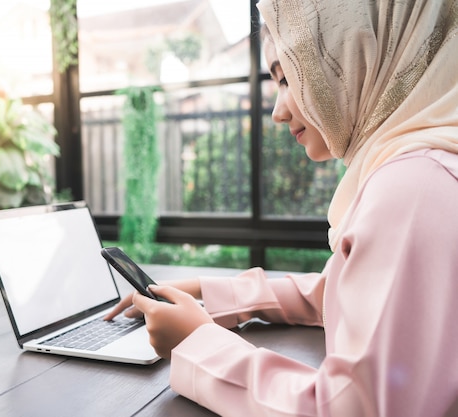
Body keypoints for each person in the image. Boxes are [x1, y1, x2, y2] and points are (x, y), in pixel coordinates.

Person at [105, 0, 458, 415]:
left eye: (289, 77)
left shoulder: (413, 187)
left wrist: (196, 343)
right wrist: (207, 291)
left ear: (358, 51)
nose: (276, 111)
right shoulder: (427, 167)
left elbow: (355, 409)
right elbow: (336, 293)